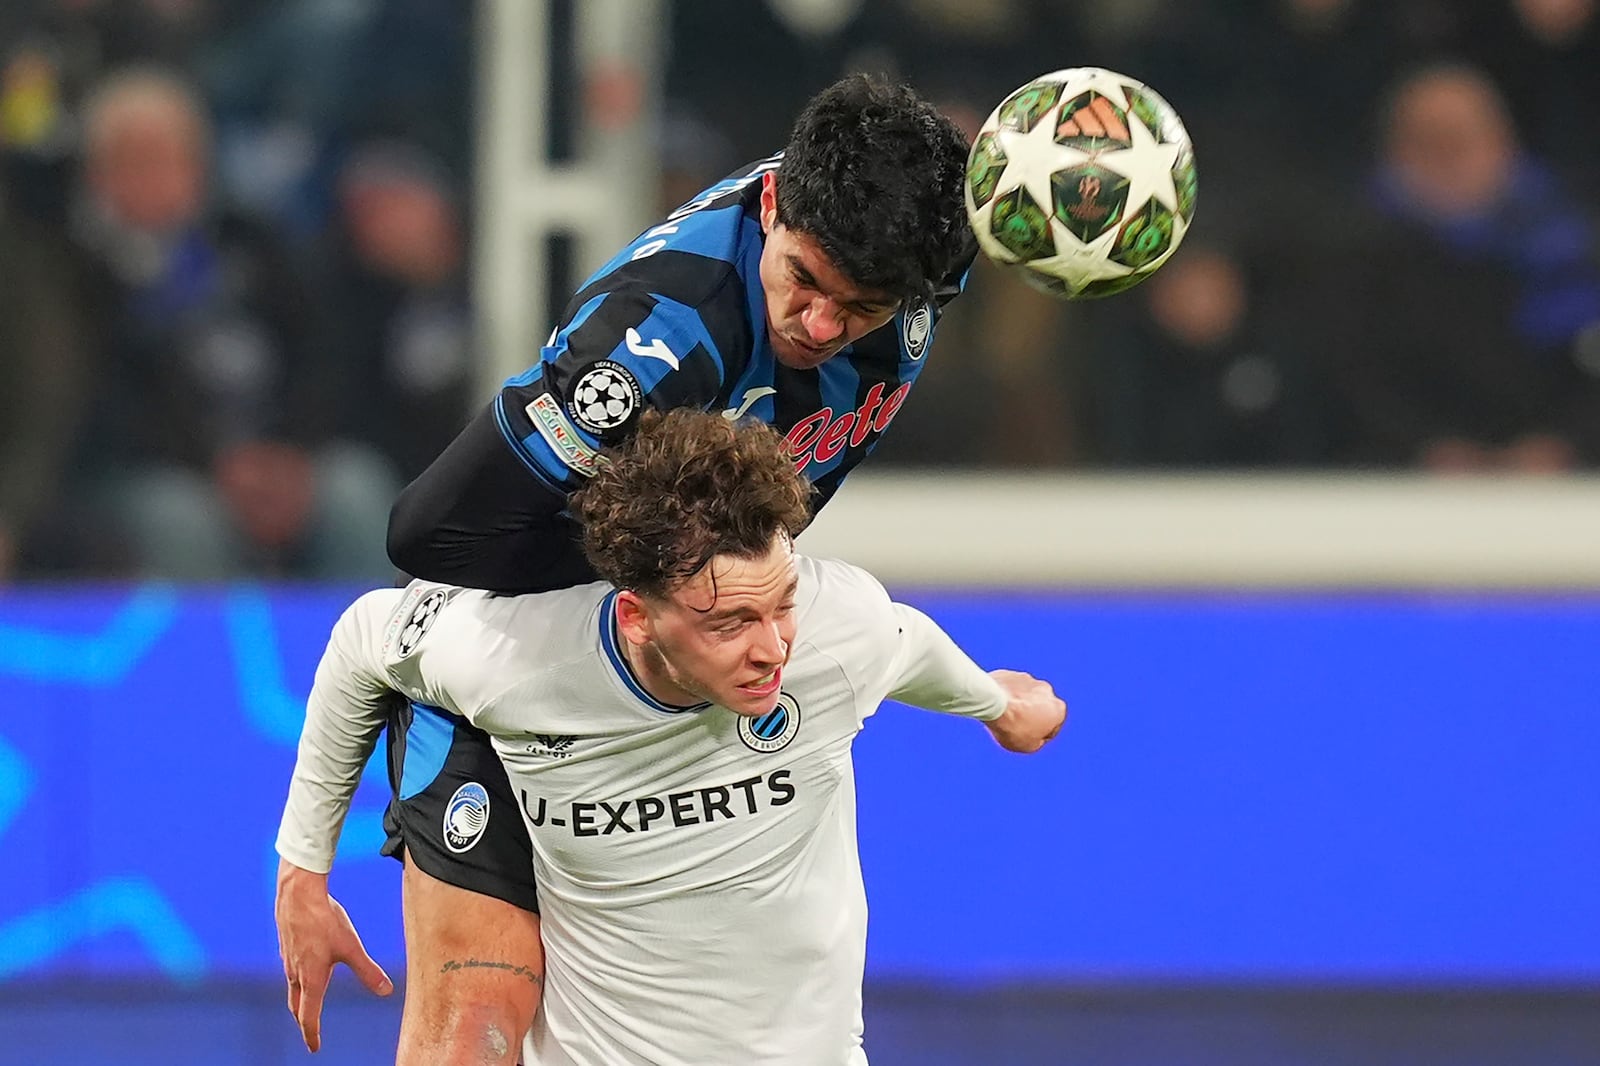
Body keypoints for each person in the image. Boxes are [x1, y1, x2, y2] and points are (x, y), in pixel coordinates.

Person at [274, 72, 975, 1063]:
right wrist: (639, 577)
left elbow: (896, 638)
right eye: (804, 282)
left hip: (675, 671)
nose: (820, 326)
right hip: (524, 678)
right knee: (468, 1043)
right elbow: (427, 535)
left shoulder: (927, 257)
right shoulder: (657, 342)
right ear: (772, 204)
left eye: (857, 309)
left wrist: (997, 702)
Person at [278, 408, 1066, 1064]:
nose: (772, 648)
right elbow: (362, 640)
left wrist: (996, 705)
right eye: (728, 623)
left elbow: (908, 641)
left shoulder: (836, 628)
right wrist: (302, 878)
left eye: (781, 605)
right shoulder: (514, 659)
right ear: (637, 615)